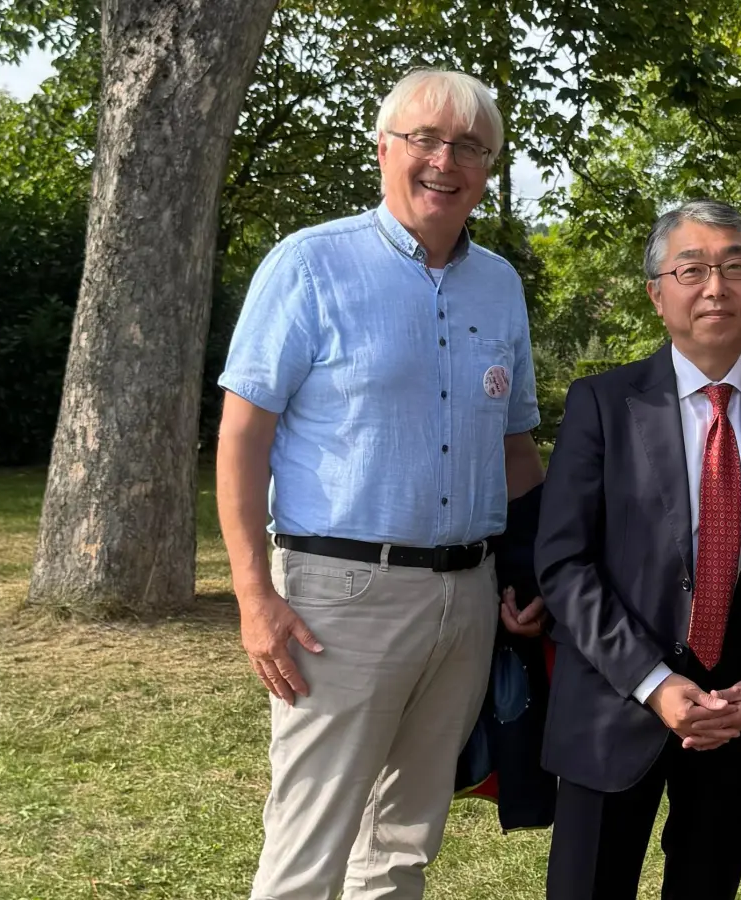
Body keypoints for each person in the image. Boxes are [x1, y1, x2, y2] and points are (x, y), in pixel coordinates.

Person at [216, 69, 546, 900]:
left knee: (405, 837)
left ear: (488, 168)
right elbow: (241, 441)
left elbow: (516, 450)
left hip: (468, 596)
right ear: (383, 151)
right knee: (312, 838)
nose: (446, 160)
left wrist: (528, 571)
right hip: (337, 597)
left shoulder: (500, 286)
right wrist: (255, 595)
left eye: (470, 146)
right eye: (426, 140)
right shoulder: (309, 266)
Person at [536, 199, 741, 900]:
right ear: (657, 292)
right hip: (615, 707)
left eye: (737, 267)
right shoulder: (602, 404)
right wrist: (652, 681)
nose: (716, 286)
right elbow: (565, 564)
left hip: (739, 717)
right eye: (693, 268)